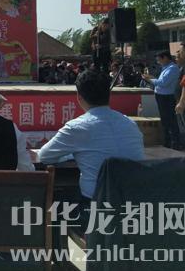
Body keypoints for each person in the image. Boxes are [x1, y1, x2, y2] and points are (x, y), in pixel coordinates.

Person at [39, 70, 144, 224]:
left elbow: (44, 156)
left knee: (54, 207)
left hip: (96, 209)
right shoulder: (130, 124)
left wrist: (71, 154)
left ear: (79, 97)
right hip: (135, 208)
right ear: (109, 95)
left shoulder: (77, 127)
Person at [142, 51, 181, 149]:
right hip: (162, 96)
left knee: (170, 120)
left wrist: (150, 79)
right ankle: (168, 141)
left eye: (159, 59)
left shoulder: (172, 68)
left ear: (165, 58)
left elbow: (163, 82)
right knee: (165, 120)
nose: (158, 62)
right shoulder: (166, 68)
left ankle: (174, 142)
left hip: (167, 97)